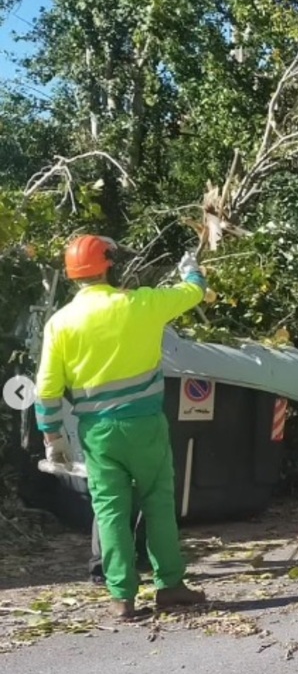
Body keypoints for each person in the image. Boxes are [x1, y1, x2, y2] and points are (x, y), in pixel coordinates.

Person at [36, 235, 209, 620]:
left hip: (97, 433)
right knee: (158, 504)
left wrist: (53, 439)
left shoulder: (60, 323)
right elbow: (192, 292)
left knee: (111, 511)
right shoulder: (142, 303)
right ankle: (169, 586)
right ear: (109, 265)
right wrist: (191, 269)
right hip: (145, 425)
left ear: (72, 275)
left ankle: (121, 597)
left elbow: (46, 389)